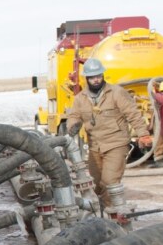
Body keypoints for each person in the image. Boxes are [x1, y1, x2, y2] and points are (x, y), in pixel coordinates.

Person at [65, 57, 153, 219]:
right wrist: (72, 127)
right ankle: (100, 214)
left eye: (98, 75)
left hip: (116, 144)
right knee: (95, 184)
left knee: (109, 181)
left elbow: (133, 114)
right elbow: (74, 116)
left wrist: (144, 134)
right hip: (95, 147)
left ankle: (112, 216)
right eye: (92, 77)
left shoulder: (116, 93)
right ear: (87, 78)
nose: (96, 79)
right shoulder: (80, 99)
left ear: (102, 75)